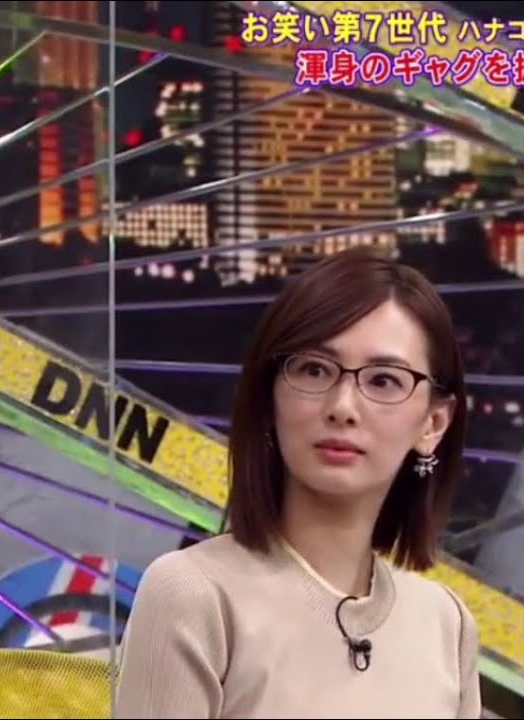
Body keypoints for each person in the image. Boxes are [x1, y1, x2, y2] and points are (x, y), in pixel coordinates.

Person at [114, 246, 481, 719]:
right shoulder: (192, 595)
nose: (342, 407)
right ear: (270, 398)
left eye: (383, 381)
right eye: (314, 370)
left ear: (433, 423)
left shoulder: (446, 626)